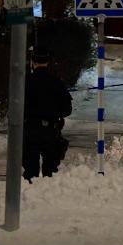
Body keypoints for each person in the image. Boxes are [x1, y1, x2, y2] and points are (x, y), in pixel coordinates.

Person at [23, 47, 73, 181]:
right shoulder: (57, 82)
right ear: (47, 62)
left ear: (33, 62)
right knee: (50, 171)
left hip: (30, 128)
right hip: (51, 129)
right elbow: (67, 109)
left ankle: (29, 194)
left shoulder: (26, 81)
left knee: (30, 169)